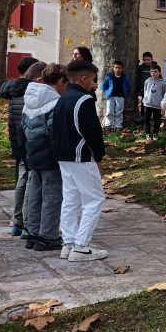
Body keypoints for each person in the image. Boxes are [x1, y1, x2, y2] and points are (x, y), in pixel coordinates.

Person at [53, 60, 107, 261]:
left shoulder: (62, 98)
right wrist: (99, 156)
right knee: (94, 199)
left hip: (63, 155)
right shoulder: (84, 99)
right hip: (80, 156)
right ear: (83, 79)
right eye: (92, 80)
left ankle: (68, 244)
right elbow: (93, 132)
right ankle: (81, 246)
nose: (94, 84)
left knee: (71, 199)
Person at [22, 63, 67, 251]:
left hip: (32, 153)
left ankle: (33, 233)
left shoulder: (30, 99)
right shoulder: (54, 103)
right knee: (52, 196)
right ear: (60, 81)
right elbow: (54, 133)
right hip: (50, 157)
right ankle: (48, 236)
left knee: (35, 195)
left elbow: (24, 128)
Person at [1, 55, 39, 237]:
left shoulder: (13, 89)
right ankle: (27, 224)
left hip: (17, 141)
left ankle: (17, 221)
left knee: (22, 179)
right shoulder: (29, 91)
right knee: (30, 180)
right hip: (29, 141)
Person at [101, 60, 131, 133]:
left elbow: (128, 86)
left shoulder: (125, 77)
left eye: (119, 68)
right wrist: (107, 93)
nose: (118, 69)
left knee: (119, 112)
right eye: (116, 67)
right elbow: (103, 86)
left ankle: (118, 126)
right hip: (110, 97)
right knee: (109, 111)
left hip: (120, 97)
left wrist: (125, 93)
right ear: (113, 68)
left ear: (122, 69)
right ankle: (108, 126)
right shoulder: (109, 77)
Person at [142, 63, 166, 142]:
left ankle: (155, 133)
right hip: (148, 104)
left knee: (157, 120)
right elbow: (145, 91)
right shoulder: (147, 81)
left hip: (157, 105)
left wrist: (162, 104)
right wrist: (145, 100)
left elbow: (163, 93)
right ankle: (147, 133)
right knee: (147, 119)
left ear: (159, 72)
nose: (153, 73)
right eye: (152, 71)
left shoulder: (162, 83)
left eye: (155, 71)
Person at [136, 52, 154, 120]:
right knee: (144, 103)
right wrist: (139, 90)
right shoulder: (140, 68)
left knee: (152, 103)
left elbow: (159, 78)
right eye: (145, 60)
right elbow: (138, 79)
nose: (147, 61)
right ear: (143, 60)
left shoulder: (155, 67)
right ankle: (143, 116)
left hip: (153, 89)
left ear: (152, 59)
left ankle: (151, 117)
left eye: (148, 60)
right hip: (144, 89)